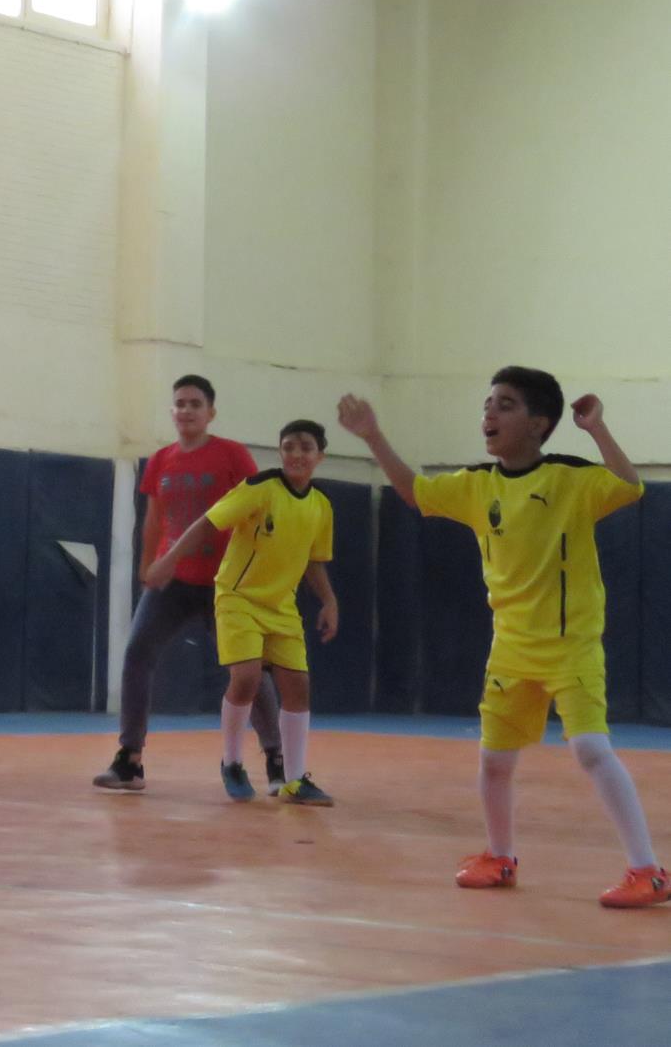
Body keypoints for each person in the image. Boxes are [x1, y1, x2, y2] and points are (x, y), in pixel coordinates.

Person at [339, 371, 669, 906]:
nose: (490, 414)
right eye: (488, 404)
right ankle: (499, 858)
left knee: (590, 747)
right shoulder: (476, 485)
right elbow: (413, 492)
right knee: (495, 761)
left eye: (506, 405)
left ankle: (648, 870)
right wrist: (373, 436)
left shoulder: (569, 479)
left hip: (570, 645)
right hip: (510, 648)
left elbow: (630, 487)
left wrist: (596, 429)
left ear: (538, 424)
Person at [95, 376, 283, 794]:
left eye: (195, 404)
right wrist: (147, 563)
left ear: (210, 412)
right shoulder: (161, 460)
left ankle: (277, 756)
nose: (186, 410)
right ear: (172, 411)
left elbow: (257, 508)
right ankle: (130, 759)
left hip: (227, 582)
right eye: (179, 403)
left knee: (249, 669)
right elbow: (154, 517)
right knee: (137, 653)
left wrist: (258, 569)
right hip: (173, 579)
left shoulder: (232, 454)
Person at [146, 419, 341, 805]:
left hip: (281, 606)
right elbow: (208, 523)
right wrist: (169, 559)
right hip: (238, 598)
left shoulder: (321, 506)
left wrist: (329, 600)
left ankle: (294, 779)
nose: (296, 454)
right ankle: (232, 762)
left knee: (298, 686)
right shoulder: (259, 488)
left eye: (305, 447)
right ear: (280, 451)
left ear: (320, 456)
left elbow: (313, 560)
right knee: (248, 677)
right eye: (288, 446)